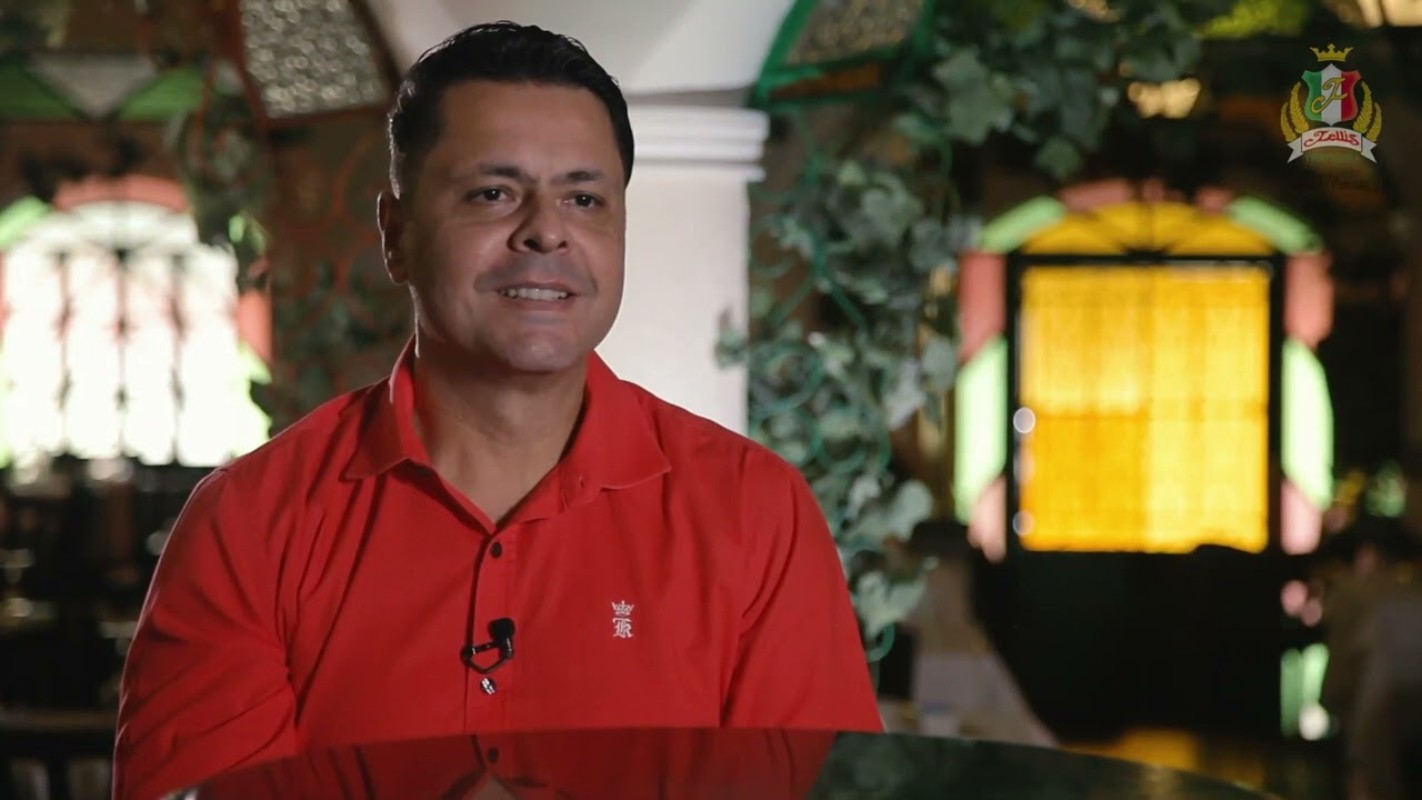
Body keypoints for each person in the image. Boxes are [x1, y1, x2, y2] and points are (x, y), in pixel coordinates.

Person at [112, 20, 881, 800]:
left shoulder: (755, 511)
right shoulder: (253, 522)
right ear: (396, 235)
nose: (547, 231)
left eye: (585, 198)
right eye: (493, 193)